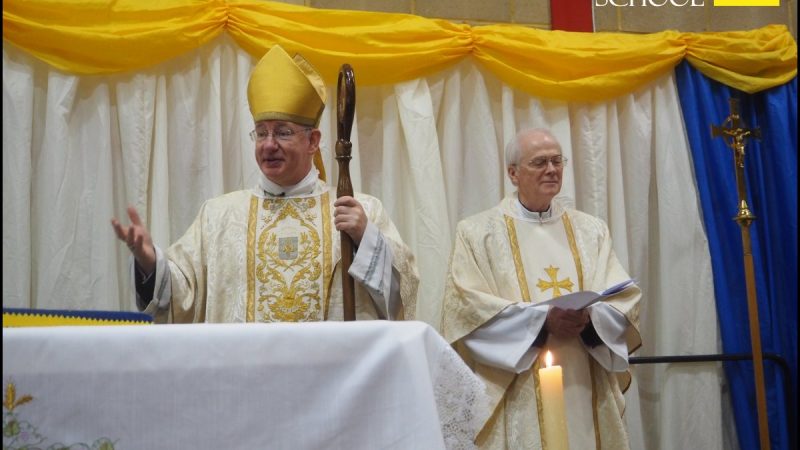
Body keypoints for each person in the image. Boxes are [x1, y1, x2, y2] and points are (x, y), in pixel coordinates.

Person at [111, 45, 418, 323]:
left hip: (333, 380)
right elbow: (181, 296)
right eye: (261, 133)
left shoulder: (358, 210)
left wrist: (366, 238)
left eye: (283, 132)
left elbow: (401, 297)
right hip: (244, 379)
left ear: (313, 141)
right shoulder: (218, 217)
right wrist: (150, 263)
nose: (268, 145)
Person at [441, 128, 641, 449]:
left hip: (585, 380)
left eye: (557, 161)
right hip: (519, 390)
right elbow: (466, 312)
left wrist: (592, 319)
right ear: (513, 173)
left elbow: (624, 299)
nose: (551, 169)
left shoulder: (591, 231)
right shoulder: (478, 234)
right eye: (539, 162)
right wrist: (542, 322)